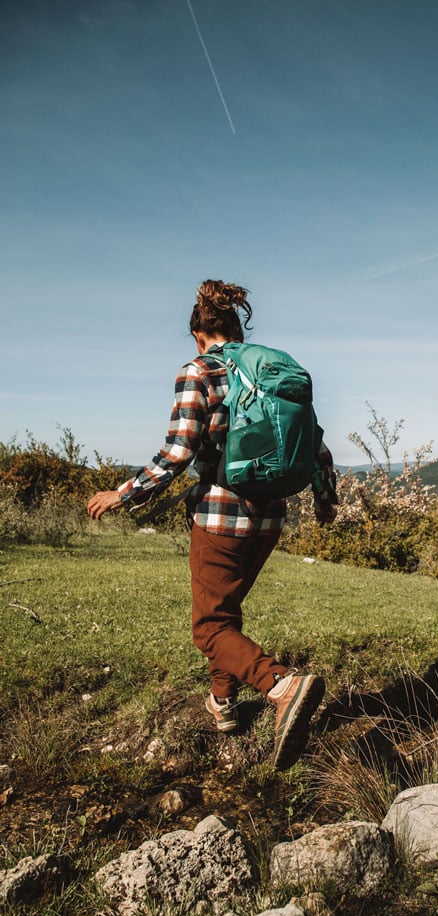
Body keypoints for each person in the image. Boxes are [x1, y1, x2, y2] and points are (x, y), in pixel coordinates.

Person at [87, 280, 337, 770]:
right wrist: (325, 498)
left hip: (220, 516)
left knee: (208, 628)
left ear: (198, 334)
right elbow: (317, 445)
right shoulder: (272, 373)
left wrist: (124, 493)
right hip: (269, 517)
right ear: (236, 327)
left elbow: (178, 451)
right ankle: (222, 703)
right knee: (226, 610)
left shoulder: (199, 370)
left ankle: (282, 686)